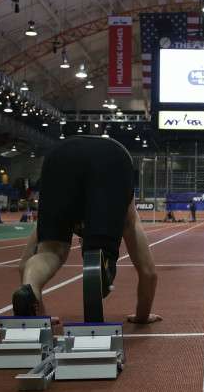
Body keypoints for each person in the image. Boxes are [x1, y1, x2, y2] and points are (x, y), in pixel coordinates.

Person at [11, 135, 161, 325]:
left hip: (59, 156)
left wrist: (37, 310)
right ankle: (103, 259)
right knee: (102, 250)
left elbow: (24, 264)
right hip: (111, 156)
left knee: (49, 252)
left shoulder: (65, 214)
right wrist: (142, 317)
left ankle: (32, 288)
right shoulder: (127, 216)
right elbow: (148, 273)